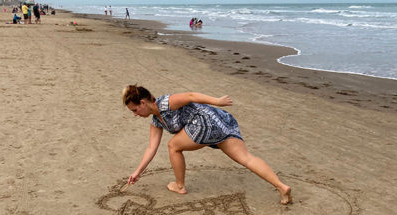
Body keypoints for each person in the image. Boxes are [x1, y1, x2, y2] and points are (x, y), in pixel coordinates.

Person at [122, 85, 292, 204]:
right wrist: (137, 172)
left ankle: (179, 186)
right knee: (246, 159)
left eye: (135, 110)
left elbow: (190, 96)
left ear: (143, 103)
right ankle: (282, 187)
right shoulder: (156, 122)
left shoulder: (165, 103)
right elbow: (151, 148)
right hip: (218, 124)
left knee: (173, 146)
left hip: (205, 122)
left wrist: (217, 101)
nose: (135, 115)